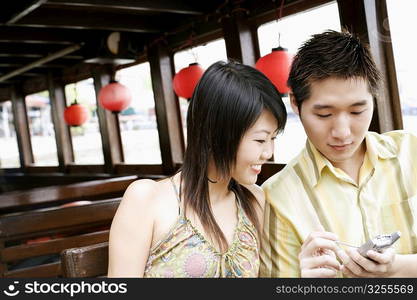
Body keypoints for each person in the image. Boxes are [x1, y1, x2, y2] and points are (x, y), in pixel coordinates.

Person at [260, 30, 417, 278]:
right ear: (295, 103)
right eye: (324, 115)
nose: (343, 133)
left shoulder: (411, 152)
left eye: (357, 111)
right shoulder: (277, 198)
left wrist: (399, 268)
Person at [108, 61, 287, 277]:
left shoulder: (254, 200)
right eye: (260, 140)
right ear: (217, 133)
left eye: (273, 138)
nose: (268, 152)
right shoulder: (147, 199)